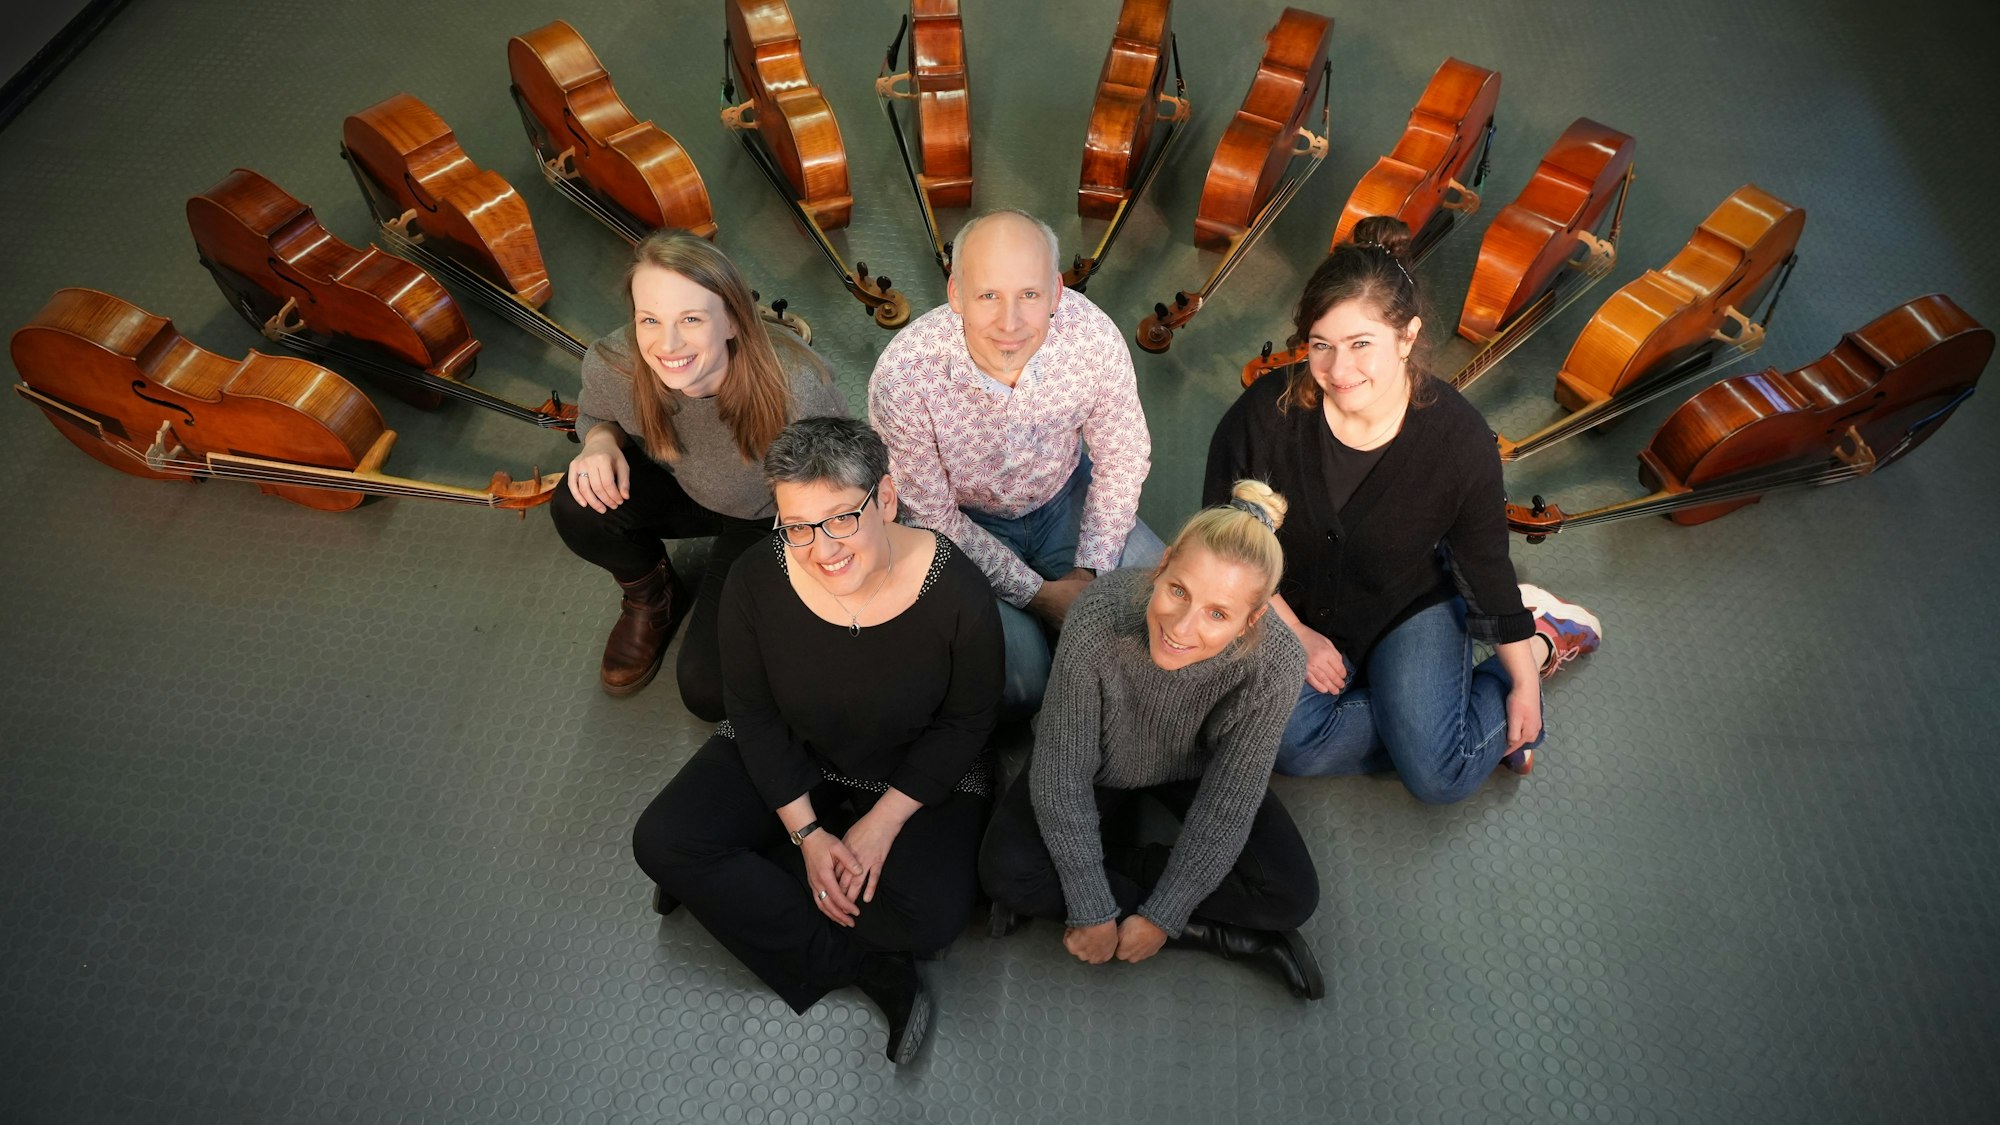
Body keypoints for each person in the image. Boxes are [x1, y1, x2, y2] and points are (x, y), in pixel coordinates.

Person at [631, 416, 1003, 1066]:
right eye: (797, 525)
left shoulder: (959, 595)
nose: (821, 547)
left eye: (841, 518)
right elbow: (752, 711)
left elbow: (968, 725)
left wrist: (883, 823)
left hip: (912, 771)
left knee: (933, 916)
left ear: (885, 499)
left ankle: (729, 885)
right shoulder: (754, 580)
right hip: (797, 745)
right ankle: (869, 966)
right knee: (660, 839)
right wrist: (807, 834)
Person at [1203, 216, 1603, 798]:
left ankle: (1546, 636)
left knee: (1439, 778)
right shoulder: (1265, 414)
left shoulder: (1459, 440)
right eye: (1321, 345)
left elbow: (1486, 569)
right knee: (1286, 744)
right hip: (1293, 606)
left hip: (1406, 603)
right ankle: (1433, 722)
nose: (1339, 371)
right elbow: (1226, 545)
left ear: (1408, 337)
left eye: (1361, 344)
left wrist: (1521, 679)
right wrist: (1295, 635)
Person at [979, 482, 1324, 999]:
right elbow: (1061, 772)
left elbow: (1228, 804)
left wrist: (1164, 914)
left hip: (1193, 768)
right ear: (1162, 566)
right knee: (1005, 873)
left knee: (1291, 895)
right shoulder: (1098, 615)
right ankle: (1226, 938)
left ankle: (1116, 864)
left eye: (1218, 613)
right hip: (1100, 761)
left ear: (1253, 619)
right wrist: (1092, 905)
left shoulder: (1275, 663)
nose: (1182, 628)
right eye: (1178, 591)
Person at [868, 208, 1163, 716]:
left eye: (1029, 295)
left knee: (1166, 612)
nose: (1010, 323)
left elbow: (1122, 452)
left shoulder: (1093, 337)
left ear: (1056, 292)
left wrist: (1091, 571)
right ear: (956, 293)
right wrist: (1041, 597)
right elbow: (932, 519)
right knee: (1020, 686)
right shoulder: (904, 375)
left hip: (1063, 494)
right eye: (988, 296)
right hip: (965, 523)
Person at [553, 229, 847, 716]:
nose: (666, 344)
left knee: (709, 691)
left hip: (767, 518)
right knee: (576, 500)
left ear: (732, 320)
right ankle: (653, 597)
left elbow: (839, 484)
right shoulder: (616, 362)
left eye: (690, 319)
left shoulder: (798, 386)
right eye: (649, 320)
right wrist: (600, 441)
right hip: (683, 485)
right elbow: (596, 414)